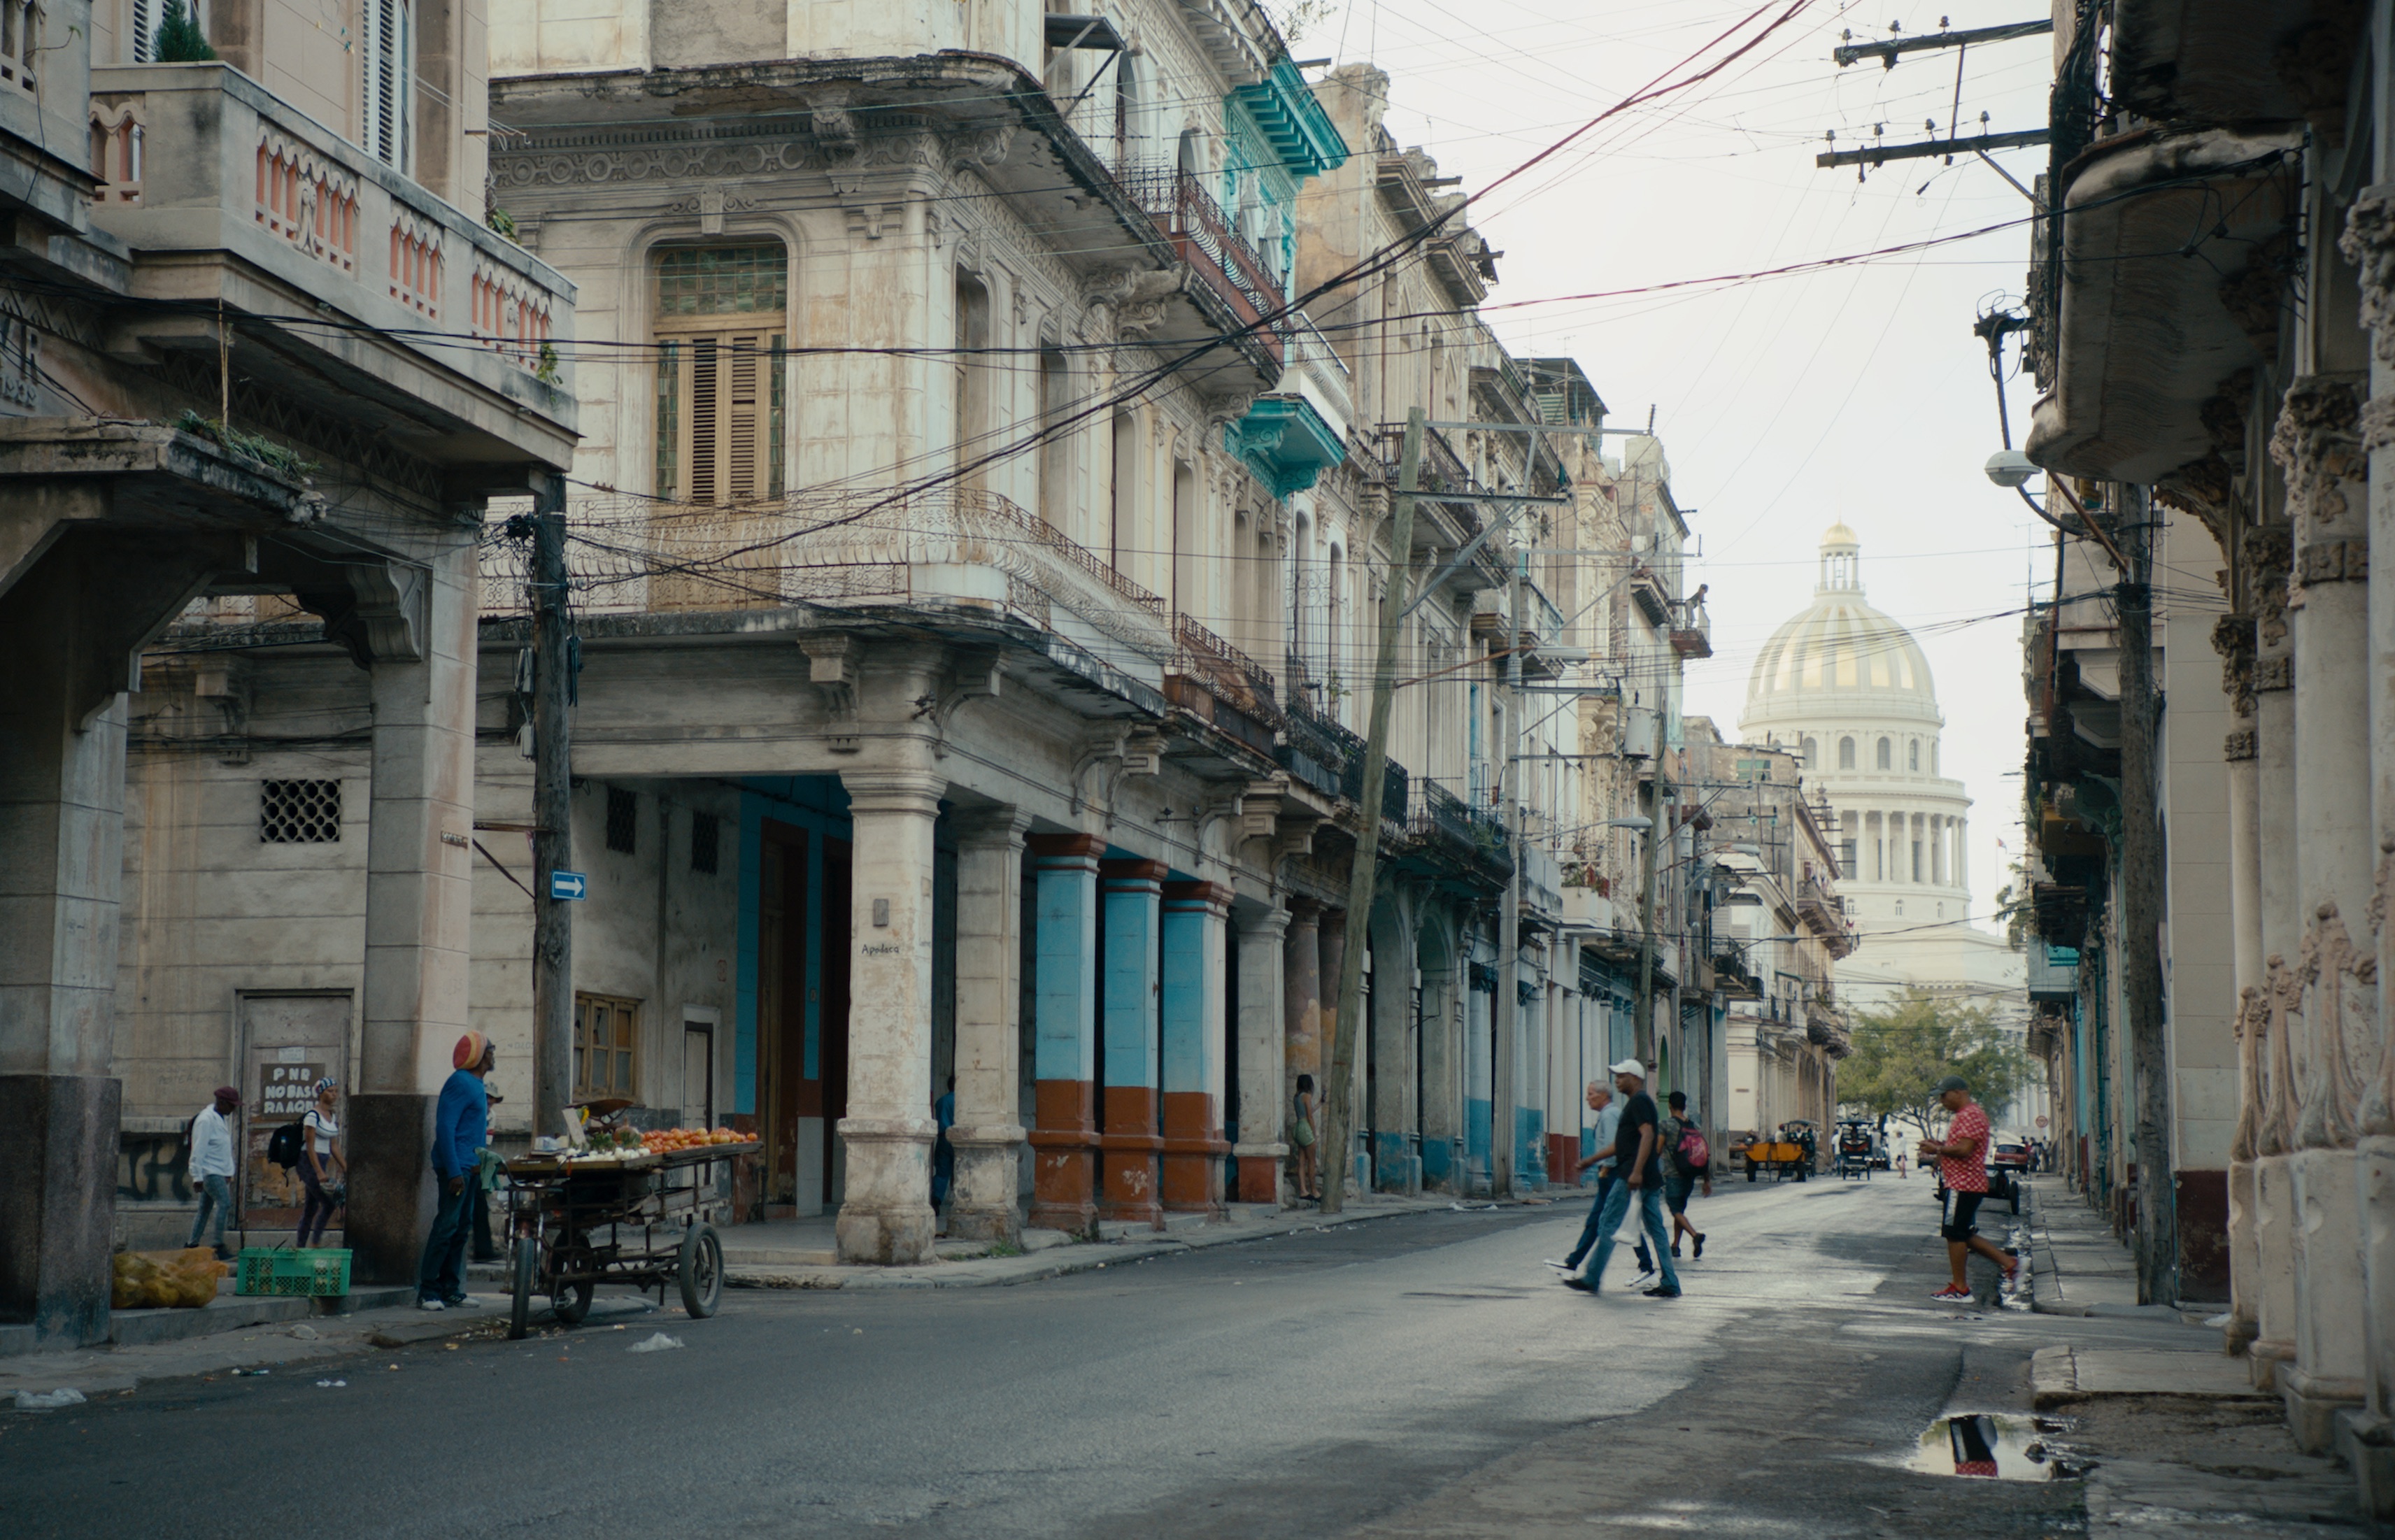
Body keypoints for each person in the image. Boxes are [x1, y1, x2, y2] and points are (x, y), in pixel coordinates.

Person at [1567, 1060, 1681, 1299]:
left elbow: (1647, 1135)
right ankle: (1670, 1281)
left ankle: (1592, 1277)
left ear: (1635, 1078)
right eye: (1616, 1076)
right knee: (1657, 1230)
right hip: (1648, 1176)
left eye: (1621, 1076)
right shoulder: (1638, 1103)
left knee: (1608, 1222)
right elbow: (1621, 1145)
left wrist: (1636, 1171)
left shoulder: (1638, 1101)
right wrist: (1591, 1160)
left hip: (1632, 1174)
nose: (1616, 1080)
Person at [1917, 1074, 2018, 1302]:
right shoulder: (1965, 1115)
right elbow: (1959, 1147)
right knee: (1964, 1233)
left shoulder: (1971, 1115)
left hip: (1964, 1184)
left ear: (1958, 1093)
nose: (1942, 1101)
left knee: (1954, 1234)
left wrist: (1939, 1151)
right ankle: (2009, 1263)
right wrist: (1940, 1149)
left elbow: (1964, 1150)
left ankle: (1960, 1287)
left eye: (1944, 1096)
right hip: (1962, 1183)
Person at [1545, 1081, 1653, 1280]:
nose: (1588, 1098)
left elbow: (1617, 1145)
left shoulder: (1610, 1115)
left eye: (1591, 1094)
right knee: (1597, 1221)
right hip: (1608, 1174)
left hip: (1612, 1173)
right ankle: (1573, 1262)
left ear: (1604, 1096)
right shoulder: (1607, 1115)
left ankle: (1646, 1267)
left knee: (1618, 1222)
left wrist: (1603, 1165)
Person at [418, 1032, 495, 1311]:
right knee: (446, 1227)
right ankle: (428, 1291)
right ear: (480, 1056)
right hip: (458, 1169)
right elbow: (445, 1128)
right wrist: (453, 1172)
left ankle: (452, 1289)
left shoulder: (475, 1084)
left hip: (471, 1168)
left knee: (461, 1229)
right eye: (490, 1051)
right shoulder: (460, 1083)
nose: (493, 1056)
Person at [186, 1085, 241, 1260]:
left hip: (217, 1171)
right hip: (210, 1172)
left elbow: (220, 1149)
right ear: (222, 1102)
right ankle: (218, 1245)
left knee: (204, 1209)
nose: (233, 1109)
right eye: (231, 1105)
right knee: (224, 1203)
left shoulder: (219, 1117)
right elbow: (198, 1150)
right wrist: (197, 1176)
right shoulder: (206, 1120)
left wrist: (228, 1171)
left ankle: (192, 1244)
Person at [294, 1078, 345, 1249]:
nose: (334, 1095)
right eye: (330, 1091)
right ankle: (315, 1242)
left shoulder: (332, 1116)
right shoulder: (312, 1116)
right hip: (308, 1162)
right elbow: (310, 1146)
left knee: (311, 1207)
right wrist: (319, 1172)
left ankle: (300, 1247)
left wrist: (345, 1167)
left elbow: (334, 1146)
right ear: (321, 1093)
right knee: (329, 1203)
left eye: (336, 1091)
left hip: (322, 1160)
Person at [1661, 1090, 1710, 1260]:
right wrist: (1706, 1181)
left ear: (1670, 1105)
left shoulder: (1666, 1125)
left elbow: (1657, 1150)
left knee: (1675, 1210)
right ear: (1685, 1106)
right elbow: (1703, 1151)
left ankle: (1695, 1235)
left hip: (1673, 1174)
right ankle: (1675, 1245)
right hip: (1689, 1174)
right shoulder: (1694, 1126)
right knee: (1680, 1211)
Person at [1291, 1074, 1321, 1202]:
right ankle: (1314, 1191)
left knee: (1302, 1161)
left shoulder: (1297, 1097)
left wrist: (1319, 1104)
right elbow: (1310, 1117)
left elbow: (1305, 1112)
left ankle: (1303, 1190)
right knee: (1312, 1162)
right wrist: (1314, 1133)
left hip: (1298, 1127)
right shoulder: (1307, 1096)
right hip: (1305, 1128)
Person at [931, 1074, 957, 1217]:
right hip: (958, 1139)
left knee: (942, 1173)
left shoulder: (941, 1101)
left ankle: (936, 1199)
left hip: (943, 1139)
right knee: (962, 1171)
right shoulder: (962, 1103)